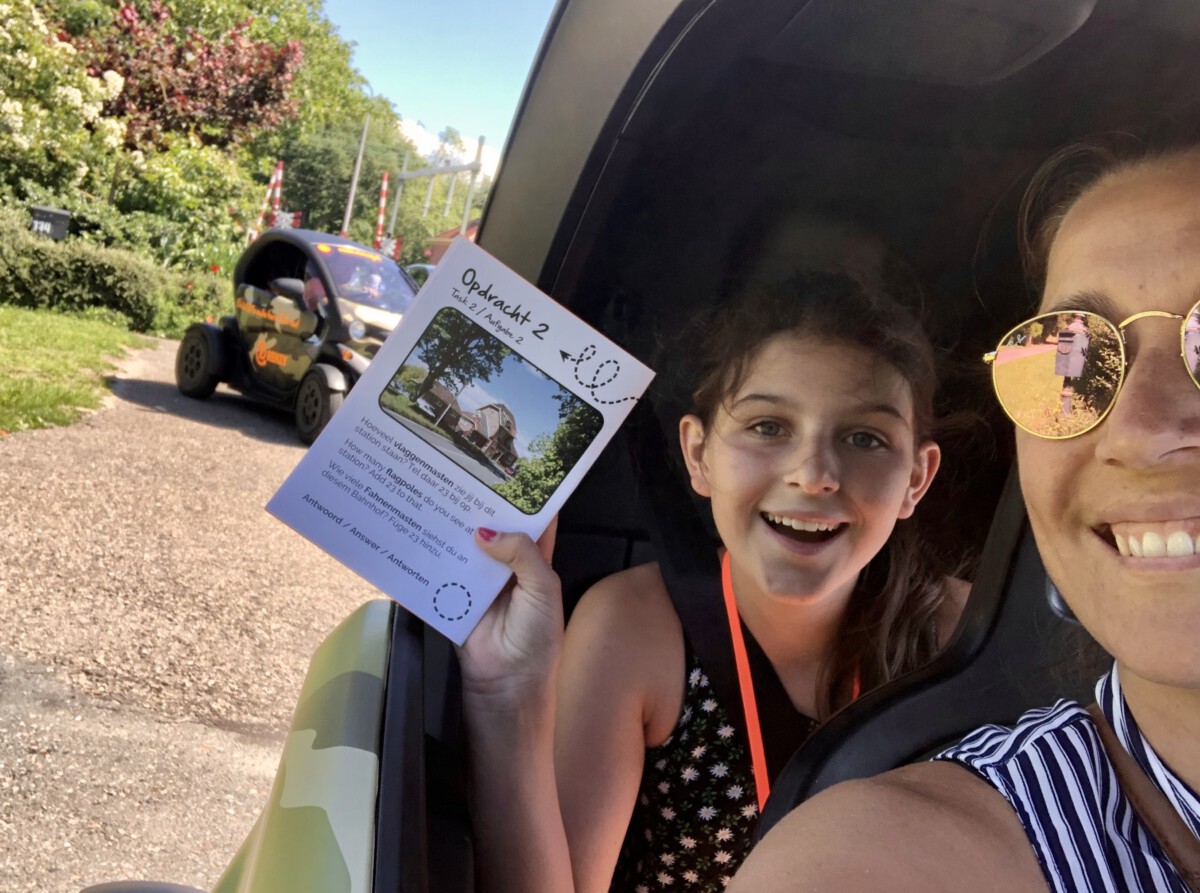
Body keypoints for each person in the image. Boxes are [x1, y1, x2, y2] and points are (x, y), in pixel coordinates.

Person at [721, 140, 1200, 890]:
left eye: (864, 437)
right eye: (1068, 357)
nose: (1137, 425)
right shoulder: (882, 862)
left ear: (919, 478)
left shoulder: (948, 620)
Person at [460, 270, 969, 893]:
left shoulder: (963, 642)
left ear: (916, 479)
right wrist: (507, 693)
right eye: (768, 427)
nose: (814, 474)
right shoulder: (638, 629)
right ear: (699, 455)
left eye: (865, 438)